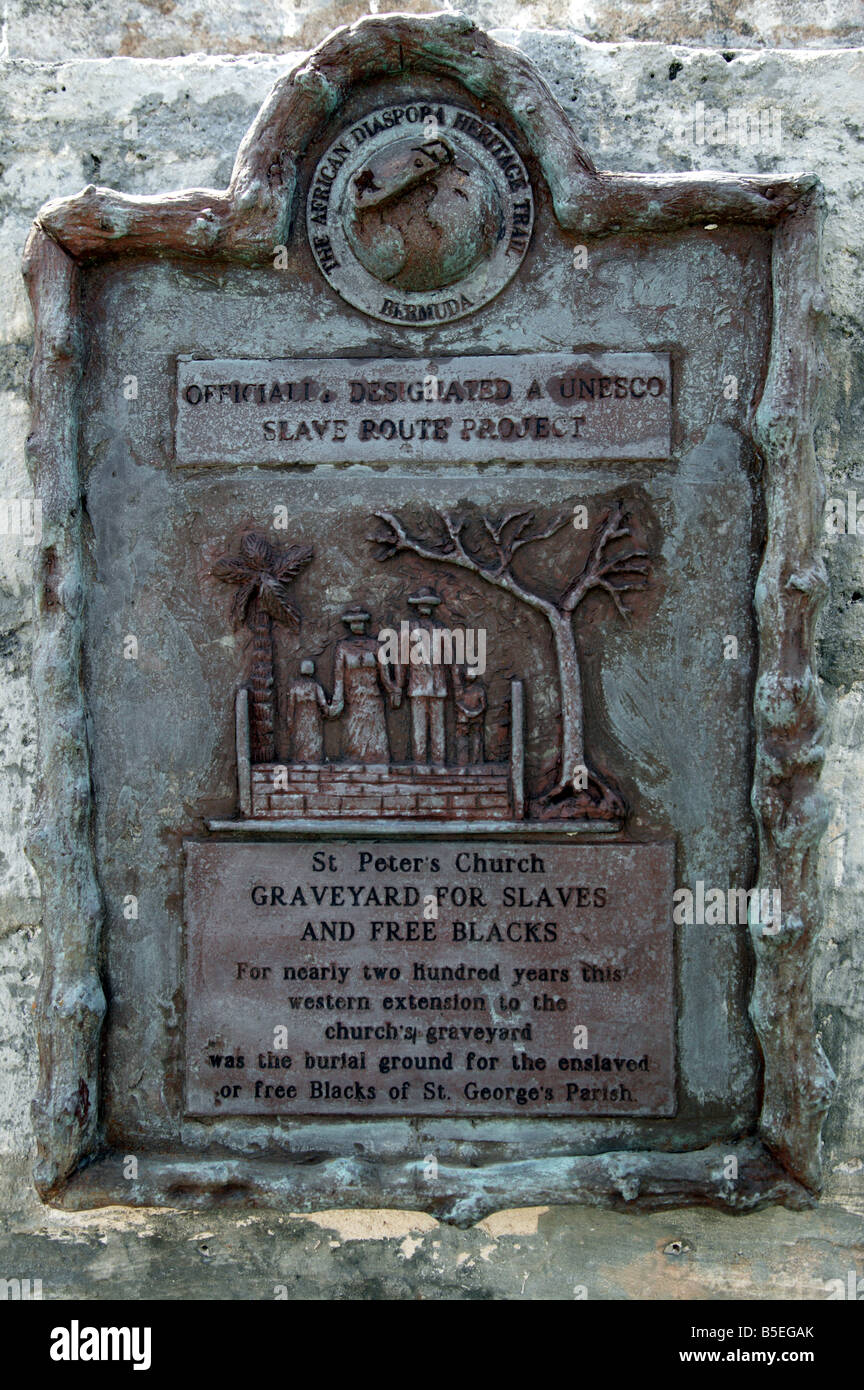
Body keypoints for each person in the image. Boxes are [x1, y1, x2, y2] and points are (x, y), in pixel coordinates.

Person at [329, 607, 400, 764]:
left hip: (373, 697)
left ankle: (378, 762)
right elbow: (339, 677)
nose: (357, 625)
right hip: (354, 699)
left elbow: (385, 675)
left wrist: (394, 691)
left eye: (360, 622)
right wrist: (336, 702)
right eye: (353, 622)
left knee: (375, 737)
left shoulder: (375, 646)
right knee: (355, 736)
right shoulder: (343, 647)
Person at [400, 588, 448, 766]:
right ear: (417, 606)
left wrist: (458, 687)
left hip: (438, 683)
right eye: (422, 604)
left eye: (428, 604)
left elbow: (452, 659)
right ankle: (419, 762)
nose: (425, 607)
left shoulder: (442, 629)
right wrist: (398, 686)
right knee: (419, 725)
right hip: (417, 683)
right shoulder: (409, 629)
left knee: (438, 725)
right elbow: (401, 660)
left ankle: (439, 761)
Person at [285, 659, 330, 762]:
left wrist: (290, 722)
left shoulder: (294, 687)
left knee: (300, 740)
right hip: (313, 720)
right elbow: (323, 704)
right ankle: (313, 759)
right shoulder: (316, 687)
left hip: (299, 721)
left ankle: (300, 759)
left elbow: (290, 707)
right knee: (313, 740)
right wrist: (327, 712)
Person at [454, 667, 487, 765]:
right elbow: (457, 704)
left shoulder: (479, 690)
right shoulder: (462, 690)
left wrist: (472, 713)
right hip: (465, 719)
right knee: (464, 738)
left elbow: (483, 706)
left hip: (474, 718)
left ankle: (476, 760)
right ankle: (464, 761)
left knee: (476, 738)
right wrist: (468, 711)